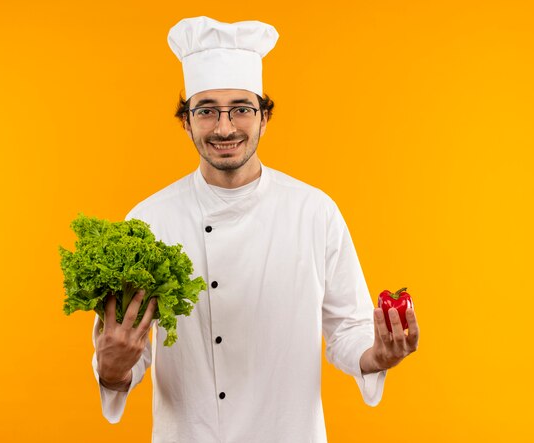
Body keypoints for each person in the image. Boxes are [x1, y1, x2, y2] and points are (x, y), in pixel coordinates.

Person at [92, 16, 419, 443]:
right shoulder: (149, 223)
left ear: (264, 117)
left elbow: (347, 329)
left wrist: (378, 354)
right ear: (186, 121)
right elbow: (121, 356)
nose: (224, 127)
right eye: (206, 110)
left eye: (241, 109)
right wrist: (113, 367)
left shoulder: (314, 212)